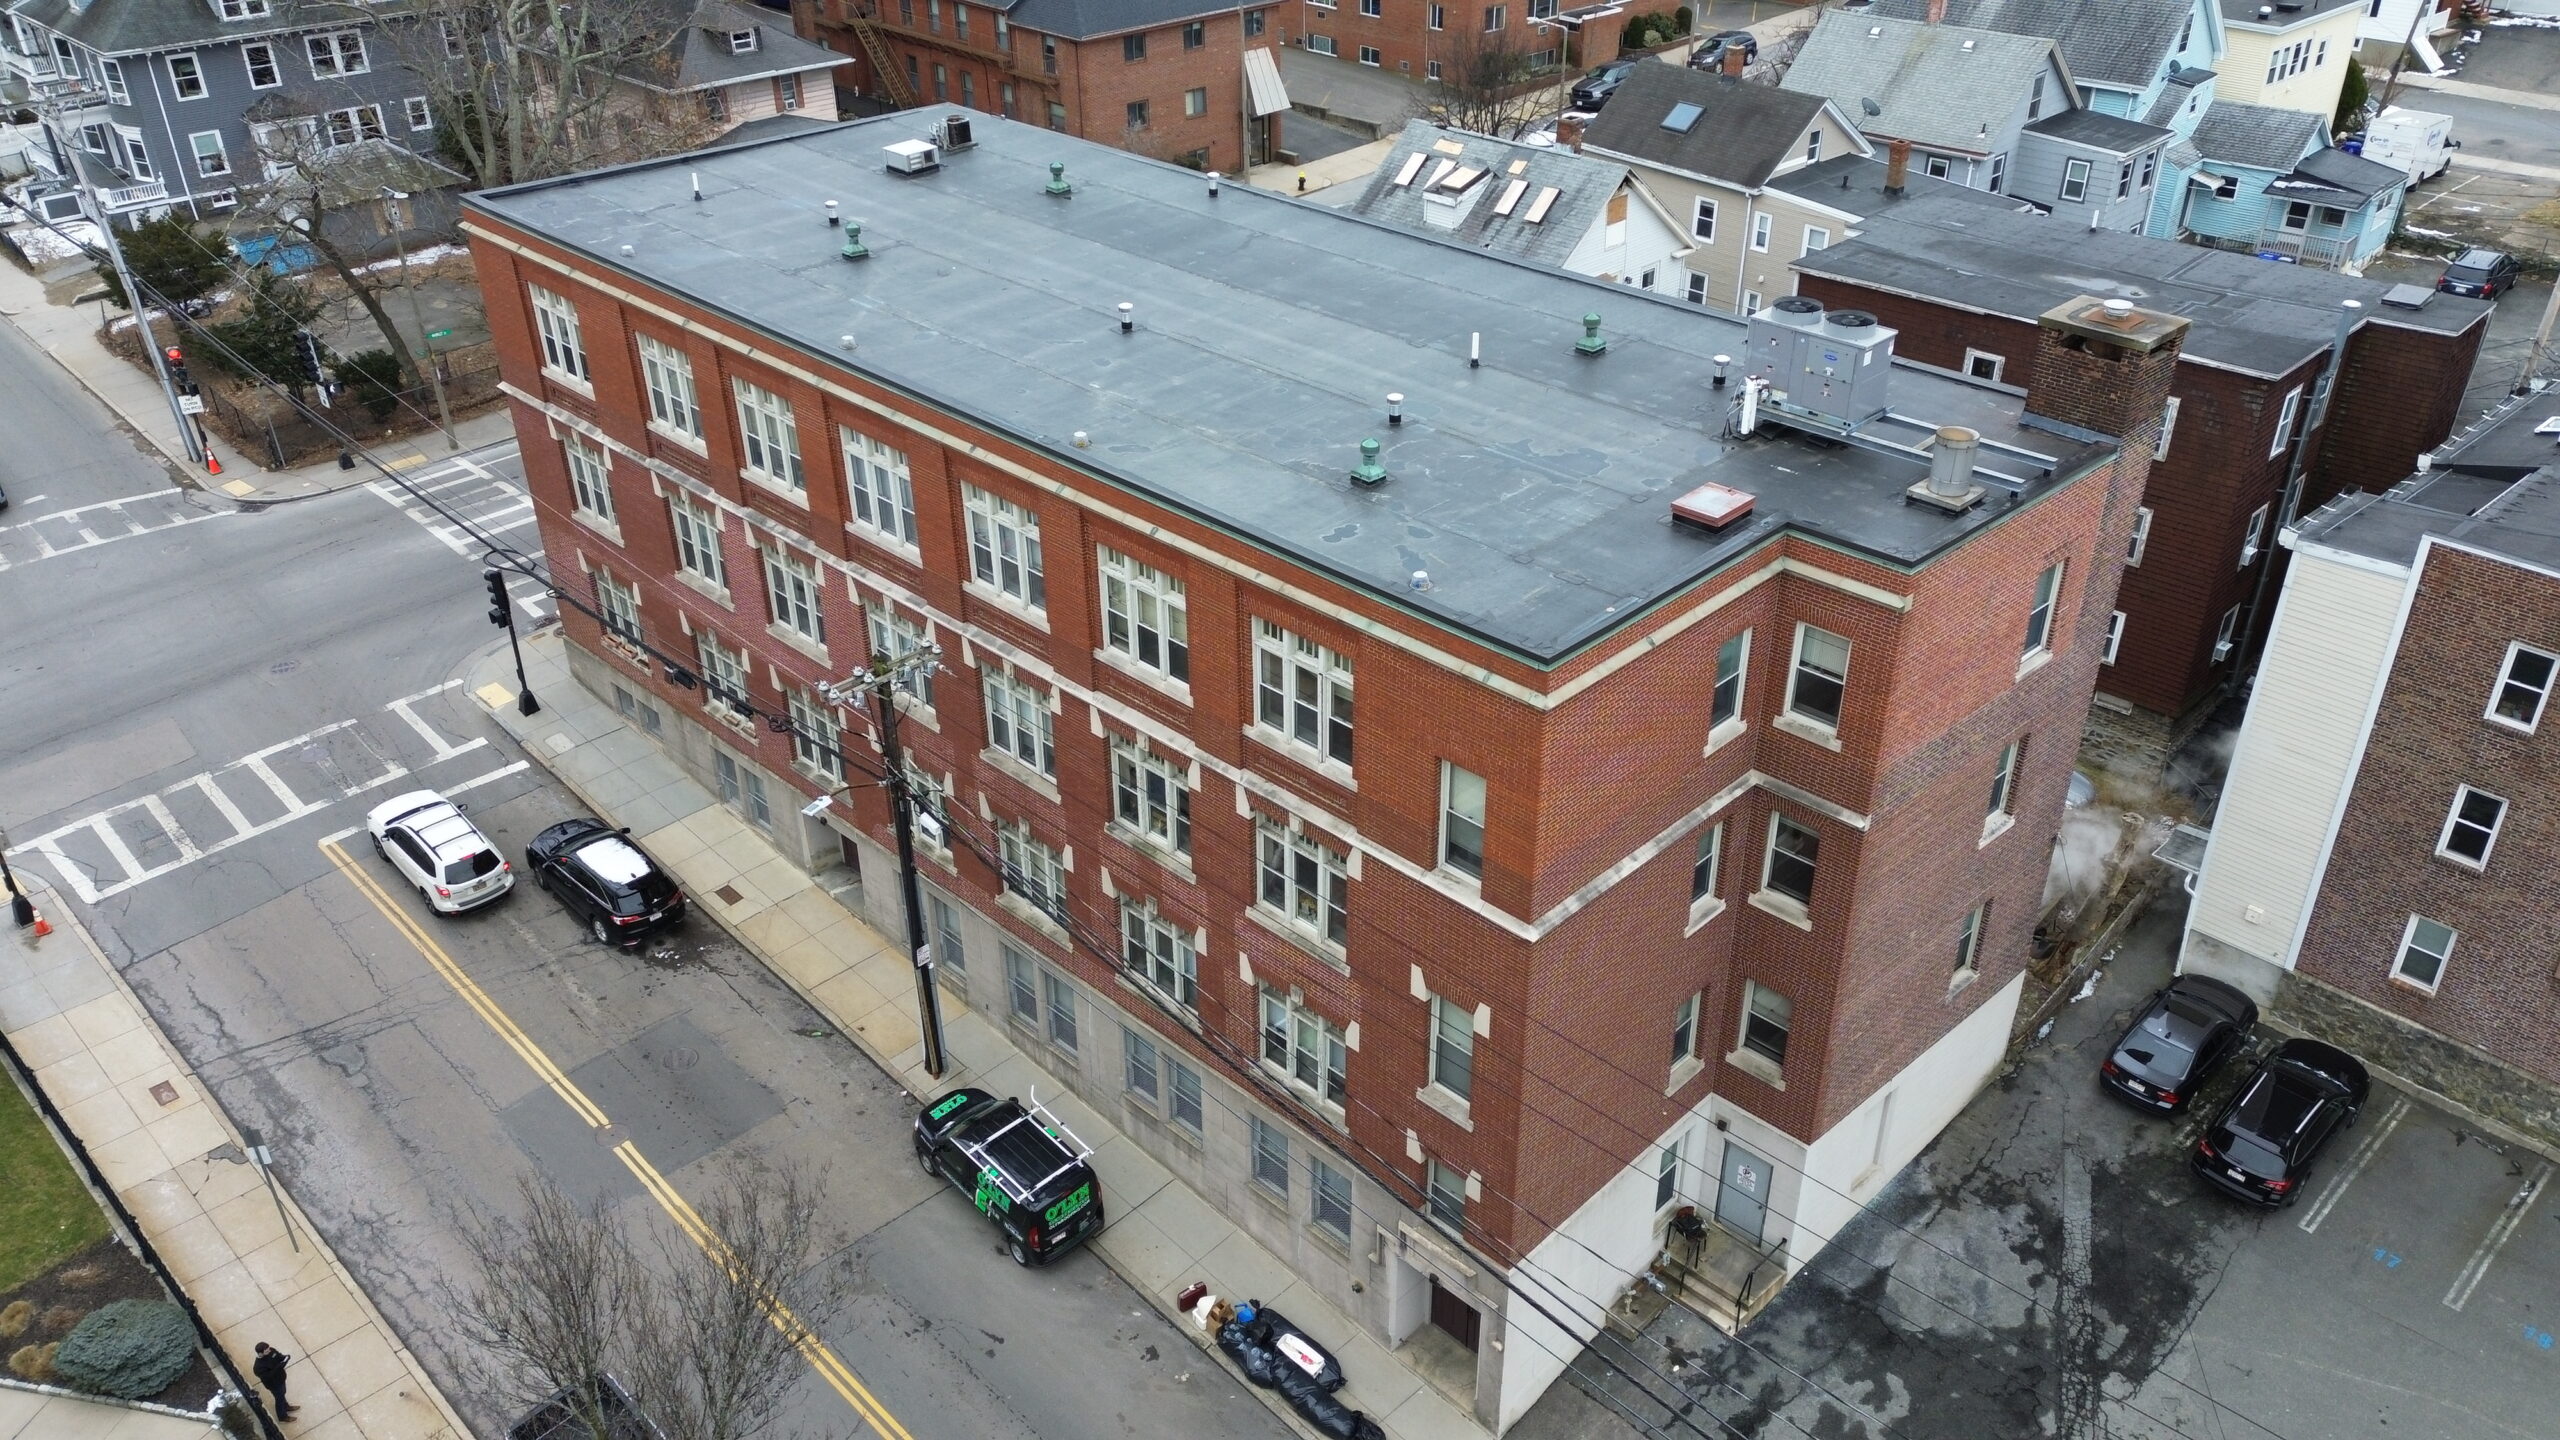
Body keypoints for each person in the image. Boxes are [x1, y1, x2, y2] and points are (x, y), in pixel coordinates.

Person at [252, 1342, 297, 1420]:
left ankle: (286, 1406)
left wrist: (284, 1358)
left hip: (281, 1378)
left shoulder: (271, 1351)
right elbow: (268, 1376)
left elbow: (278, 1356)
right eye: (266, 1351)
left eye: (269, 1349)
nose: (269, 1351)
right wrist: (279, 1367)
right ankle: (282, 1416)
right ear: (260, 1353)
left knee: (282, 1394)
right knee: (279, 1398)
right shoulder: (258, 1367)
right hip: (273, 1384)